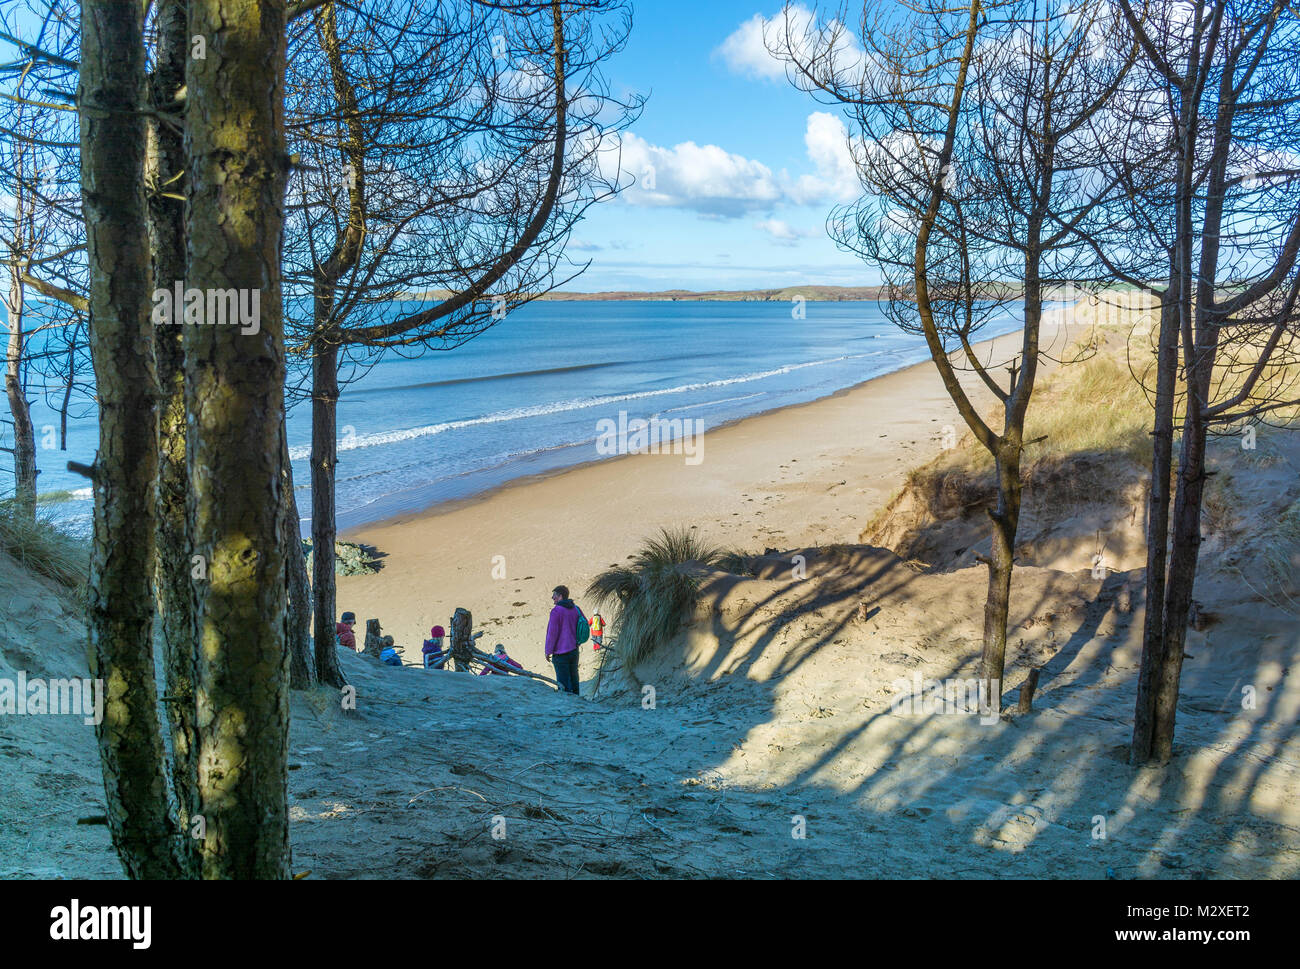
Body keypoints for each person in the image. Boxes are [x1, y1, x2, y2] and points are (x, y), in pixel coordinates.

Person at [545, 585, 582, 695]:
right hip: (574, 650)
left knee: (563, 681)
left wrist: (548, 651)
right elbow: (582, 625)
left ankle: (568, 704)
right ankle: (578, 701)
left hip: (560, 653)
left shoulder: (556, 611)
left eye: (554, 595)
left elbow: (552, 634)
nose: (552, 597)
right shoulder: (576, 608)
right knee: (574, 677)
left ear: (560, 596)